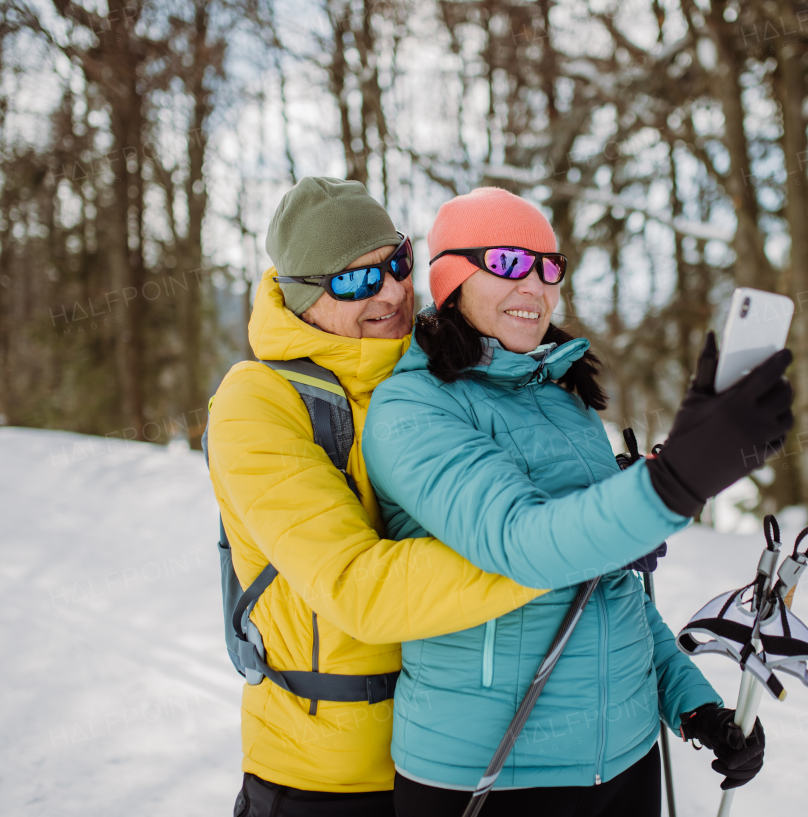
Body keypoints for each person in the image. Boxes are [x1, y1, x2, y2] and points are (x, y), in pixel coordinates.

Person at [362, 187, 795, 817]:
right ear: (451, 277)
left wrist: (694, 706)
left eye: (549, 267)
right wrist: (673, 481)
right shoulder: (414, 408)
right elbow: (520, 544)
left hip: (622, 761)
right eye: (509, 263)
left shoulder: (565, 403)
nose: (534, 286)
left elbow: (609, 589)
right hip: (491, 776)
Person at [206, 177, 550, 817]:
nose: (392, 292)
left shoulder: (434, 370)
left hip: (453, 761)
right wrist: (566, 547)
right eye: (356, 281)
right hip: (322, 781)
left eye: (398, 264)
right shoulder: (257, 403)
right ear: (304, 299)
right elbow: (358, 588)